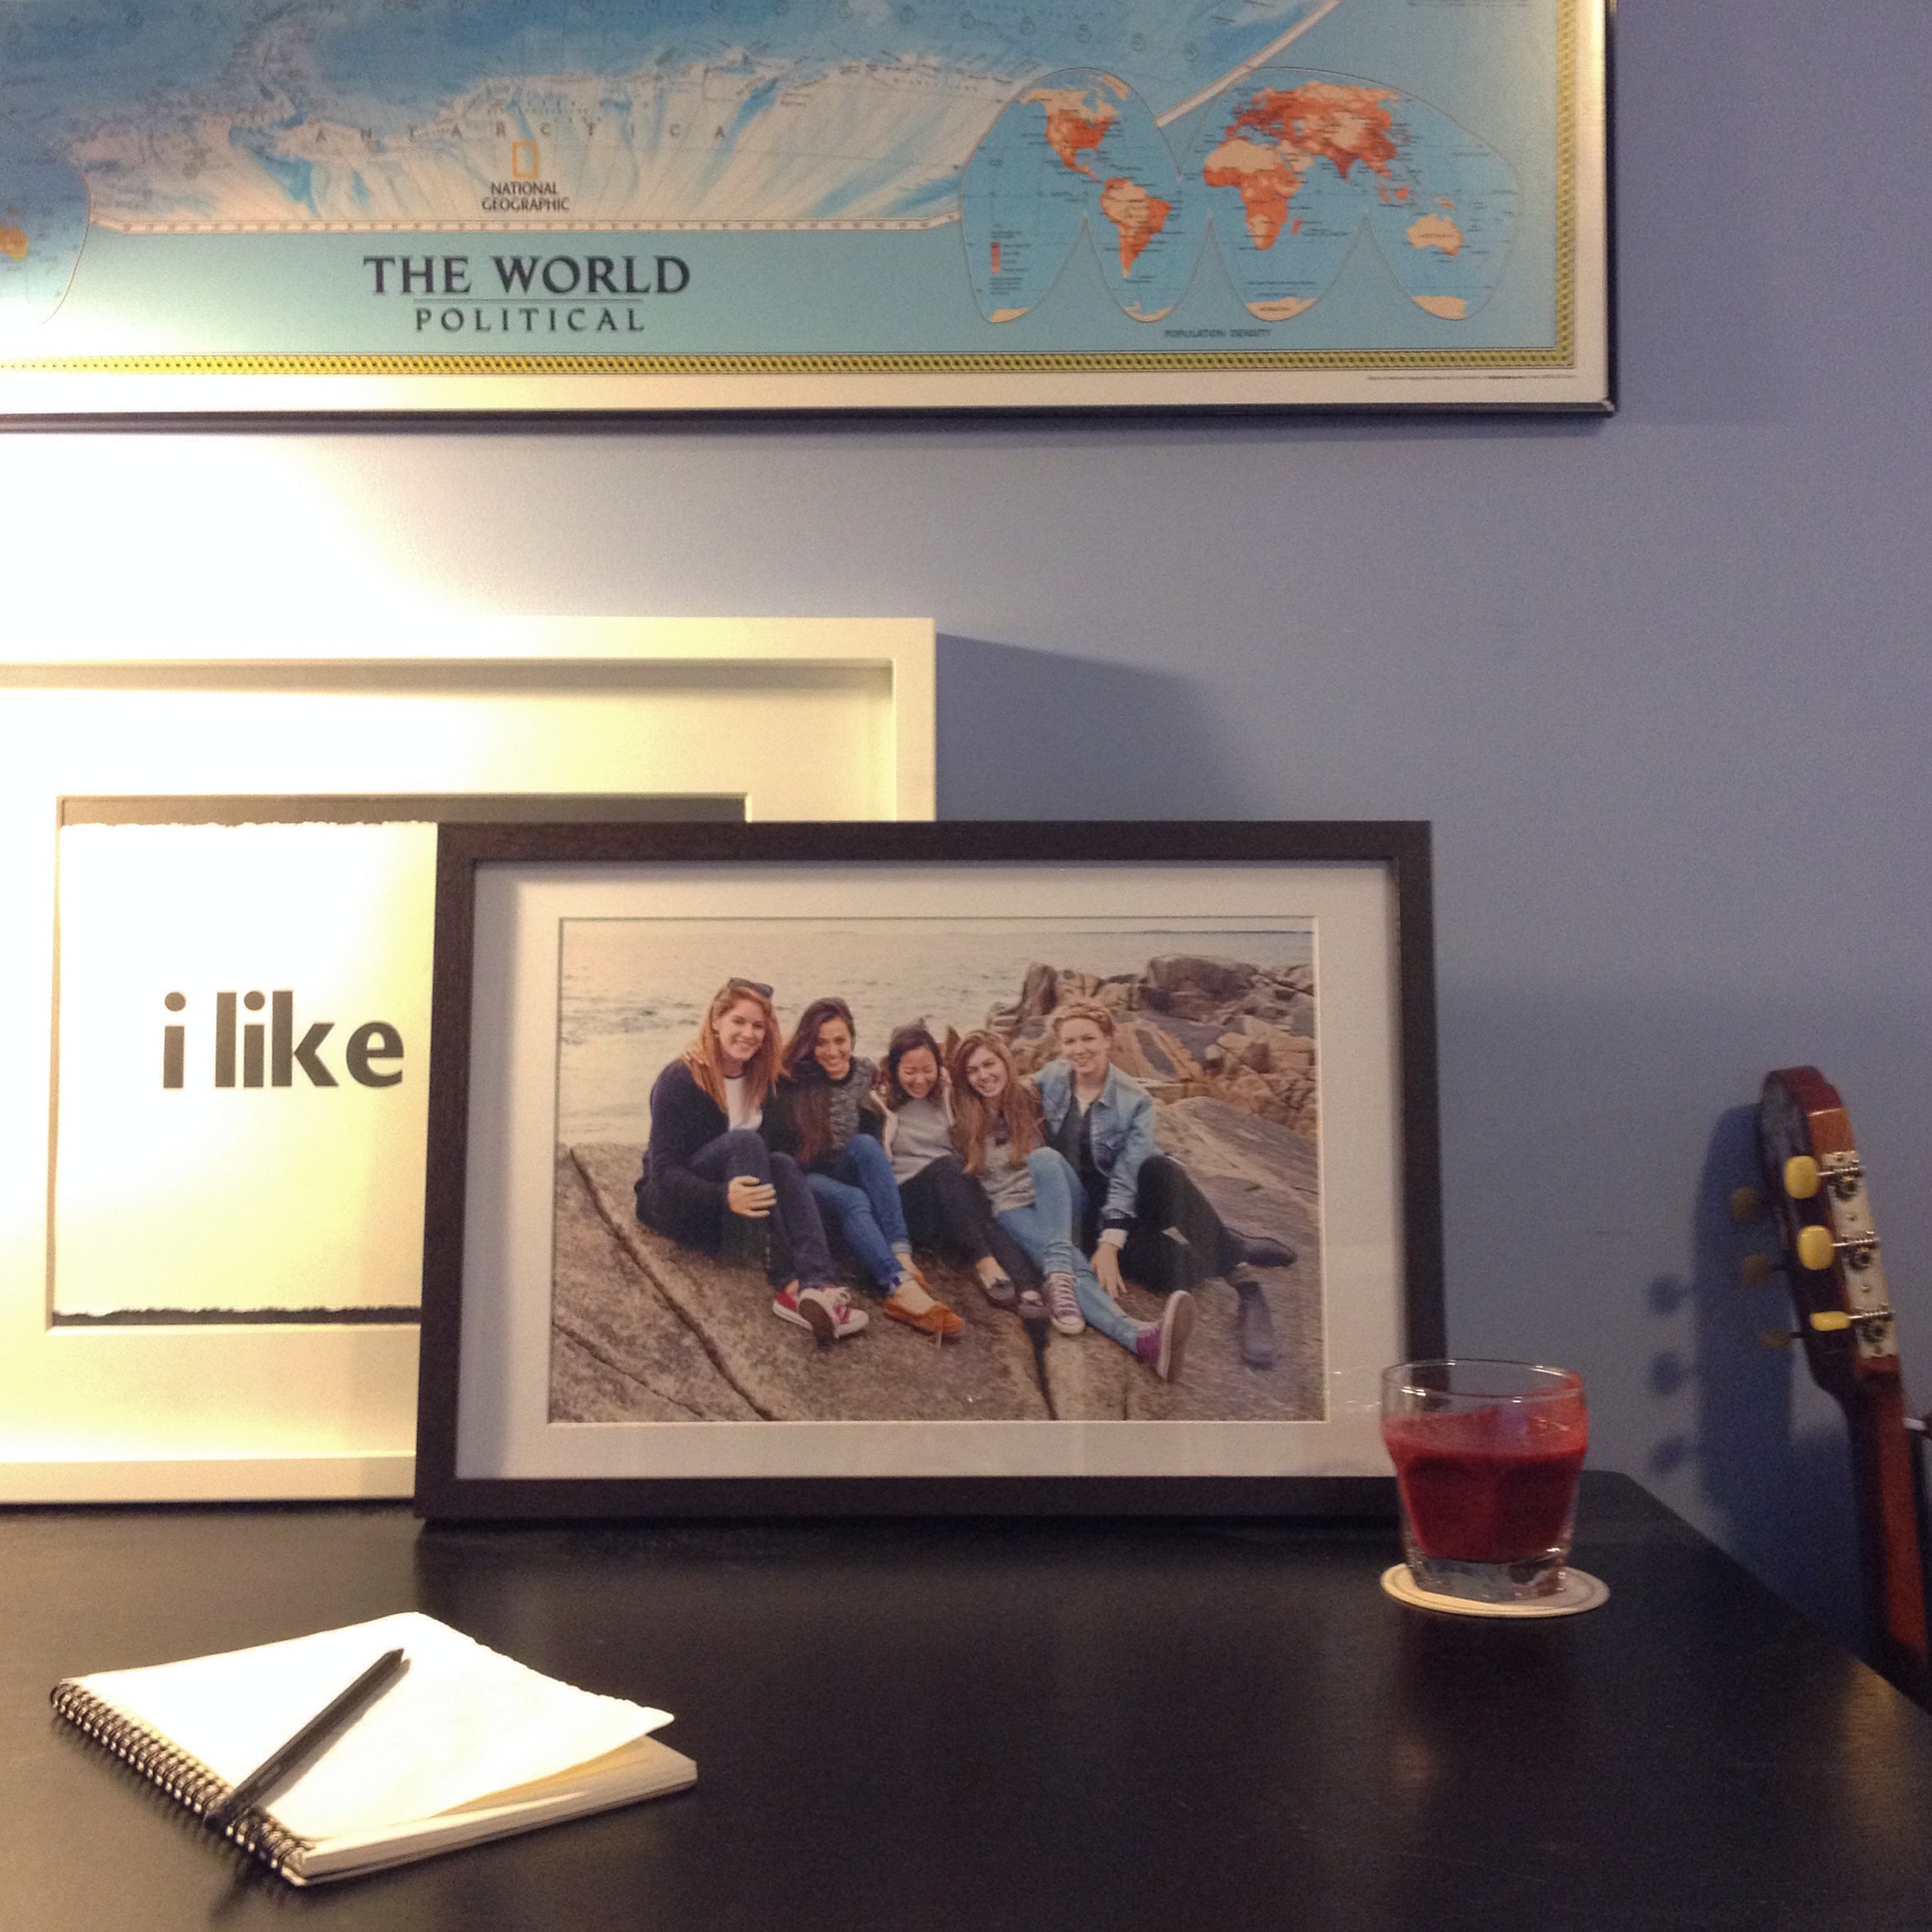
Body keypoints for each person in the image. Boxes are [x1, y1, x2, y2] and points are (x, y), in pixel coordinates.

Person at [1033, 999, 1294, 1370]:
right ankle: (1228, 1239)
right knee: (1178, 1270)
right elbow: (1007, 1093)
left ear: (1108, 1038)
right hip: (1084, 1214)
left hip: (1129, 1200)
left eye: (1088, 1038)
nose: (1079, 1049)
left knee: (1160, 1170)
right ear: (1060, 1047)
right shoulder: (1052, 1079)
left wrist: (1110, 1243)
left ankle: (1246, 1285)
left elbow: (1127, 1177)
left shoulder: (1134, 1100)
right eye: (1070, 1041)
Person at [634, 978, 867, 1346]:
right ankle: (789, 1281)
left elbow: (812, 1072)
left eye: (758, 1026)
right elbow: (663, 1174)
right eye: (738, 1021)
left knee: (783, 1162)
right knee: (745, 1142)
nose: (748, 1034)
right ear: (716, 1020)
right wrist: (722, 1196)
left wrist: (881, 1081)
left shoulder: (763, 1078)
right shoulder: (680, 1079)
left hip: (738, 1220)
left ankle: (816, 1285)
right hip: (683, 1211)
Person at [948, 1030, 1193, 1380]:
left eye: (990, 1064)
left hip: (1062, 1196)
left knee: (1044, 1158)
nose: (983, 1076)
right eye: (972, 1071)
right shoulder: (961, 1118)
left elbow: (1092, 1099)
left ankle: (1058, 1274)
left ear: (1005, 1061)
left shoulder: (1034, 1096)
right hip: (1014, 1210)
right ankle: (1142, 1340)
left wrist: (1156, 1153)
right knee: (1063, 1255)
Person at [767, 998, 964, 1340]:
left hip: (842, 1168)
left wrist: (943, 1077)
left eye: (840, 1041)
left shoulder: (864, 1073)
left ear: (853, 1039)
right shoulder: (791, 1081)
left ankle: (901, 1253)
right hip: (803, 1181)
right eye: (821, 1043)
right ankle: (898, 1287)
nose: (832, 1052)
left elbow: (900, 1081)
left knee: (866, 1145)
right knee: (853, 1198)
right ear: (809, 1044)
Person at [876, 1024, 1043, 1318]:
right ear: (894, 1069)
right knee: (948, 1168)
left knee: (983, 1205)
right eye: (910, 1071)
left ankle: (1029, 1290)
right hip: (910, 1203)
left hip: (953, 1196)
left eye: (927, 1070)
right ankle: (984, 1262)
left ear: (939, 1066)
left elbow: (993, 1097)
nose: (920, 1079)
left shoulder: (949, 1096)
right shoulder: (879, 1103)